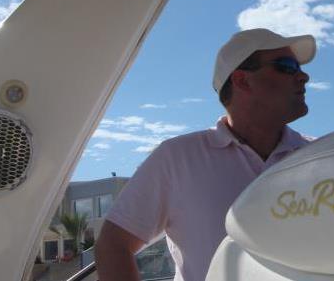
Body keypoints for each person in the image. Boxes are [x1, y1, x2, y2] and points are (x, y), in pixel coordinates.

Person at [95, 28, 316, 281]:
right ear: (242, 80)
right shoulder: (177, 158)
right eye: (287, 67)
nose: (303, 76)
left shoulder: (323, 155)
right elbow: (113, 245)